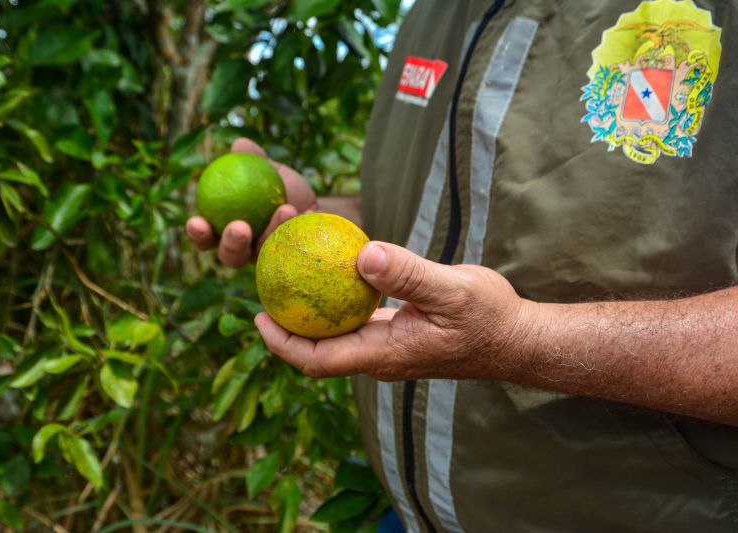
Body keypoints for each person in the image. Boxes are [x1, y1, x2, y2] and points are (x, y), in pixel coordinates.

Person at [188, 0, 738, 530]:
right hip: (406, 514)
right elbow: (436, 224)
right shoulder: (432, 14)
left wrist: (520, 340)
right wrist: (320, 219)